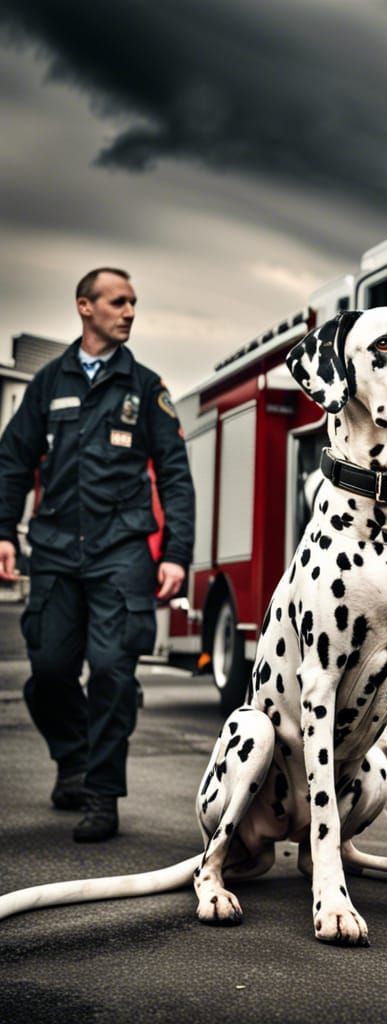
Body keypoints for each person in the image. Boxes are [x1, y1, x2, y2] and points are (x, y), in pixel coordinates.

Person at [0, 268, 195, 842]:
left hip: (121, 552)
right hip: (57, 550)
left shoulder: (146, 386)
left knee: (112, 671)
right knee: (50, 672)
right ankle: (73, 759)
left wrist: (176, 553)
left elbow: (176, 477)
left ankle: (102, 794)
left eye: (134, 302)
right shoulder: (47, 384)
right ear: (85, 307)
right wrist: (4, 531)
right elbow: (12, 459)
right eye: (118, 302)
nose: (129, 311)